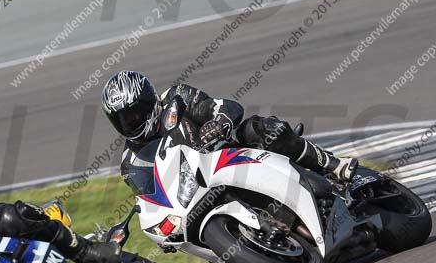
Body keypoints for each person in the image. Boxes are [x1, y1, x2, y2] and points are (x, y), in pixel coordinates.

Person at [101, 70, 358, 182]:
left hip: (230, 152)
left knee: (263, 129)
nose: (131, 123)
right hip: (195, 192)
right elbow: (149, 198)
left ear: (148, 102)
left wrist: (220, 123)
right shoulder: (131, 162)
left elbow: (224, 106)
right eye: (123, 119)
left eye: (134, 115)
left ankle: (332, 165)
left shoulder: (175, 97)